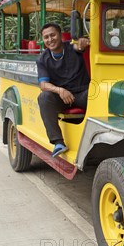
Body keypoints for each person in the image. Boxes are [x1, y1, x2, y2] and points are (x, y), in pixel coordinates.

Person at [36, 23, 90, 157]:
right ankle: (58, 142)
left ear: (60, 35)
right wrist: (60, 90)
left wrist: (83, 42)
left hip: (82, 94)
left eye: (53, 35)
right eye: (46, 37)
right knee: (44, 97)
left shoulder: (72, 47)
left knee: (98, 94)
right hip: (62, 98)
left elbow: (80, 45)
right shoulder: (42, 59)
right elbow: (43, 84)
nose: (50, 39)